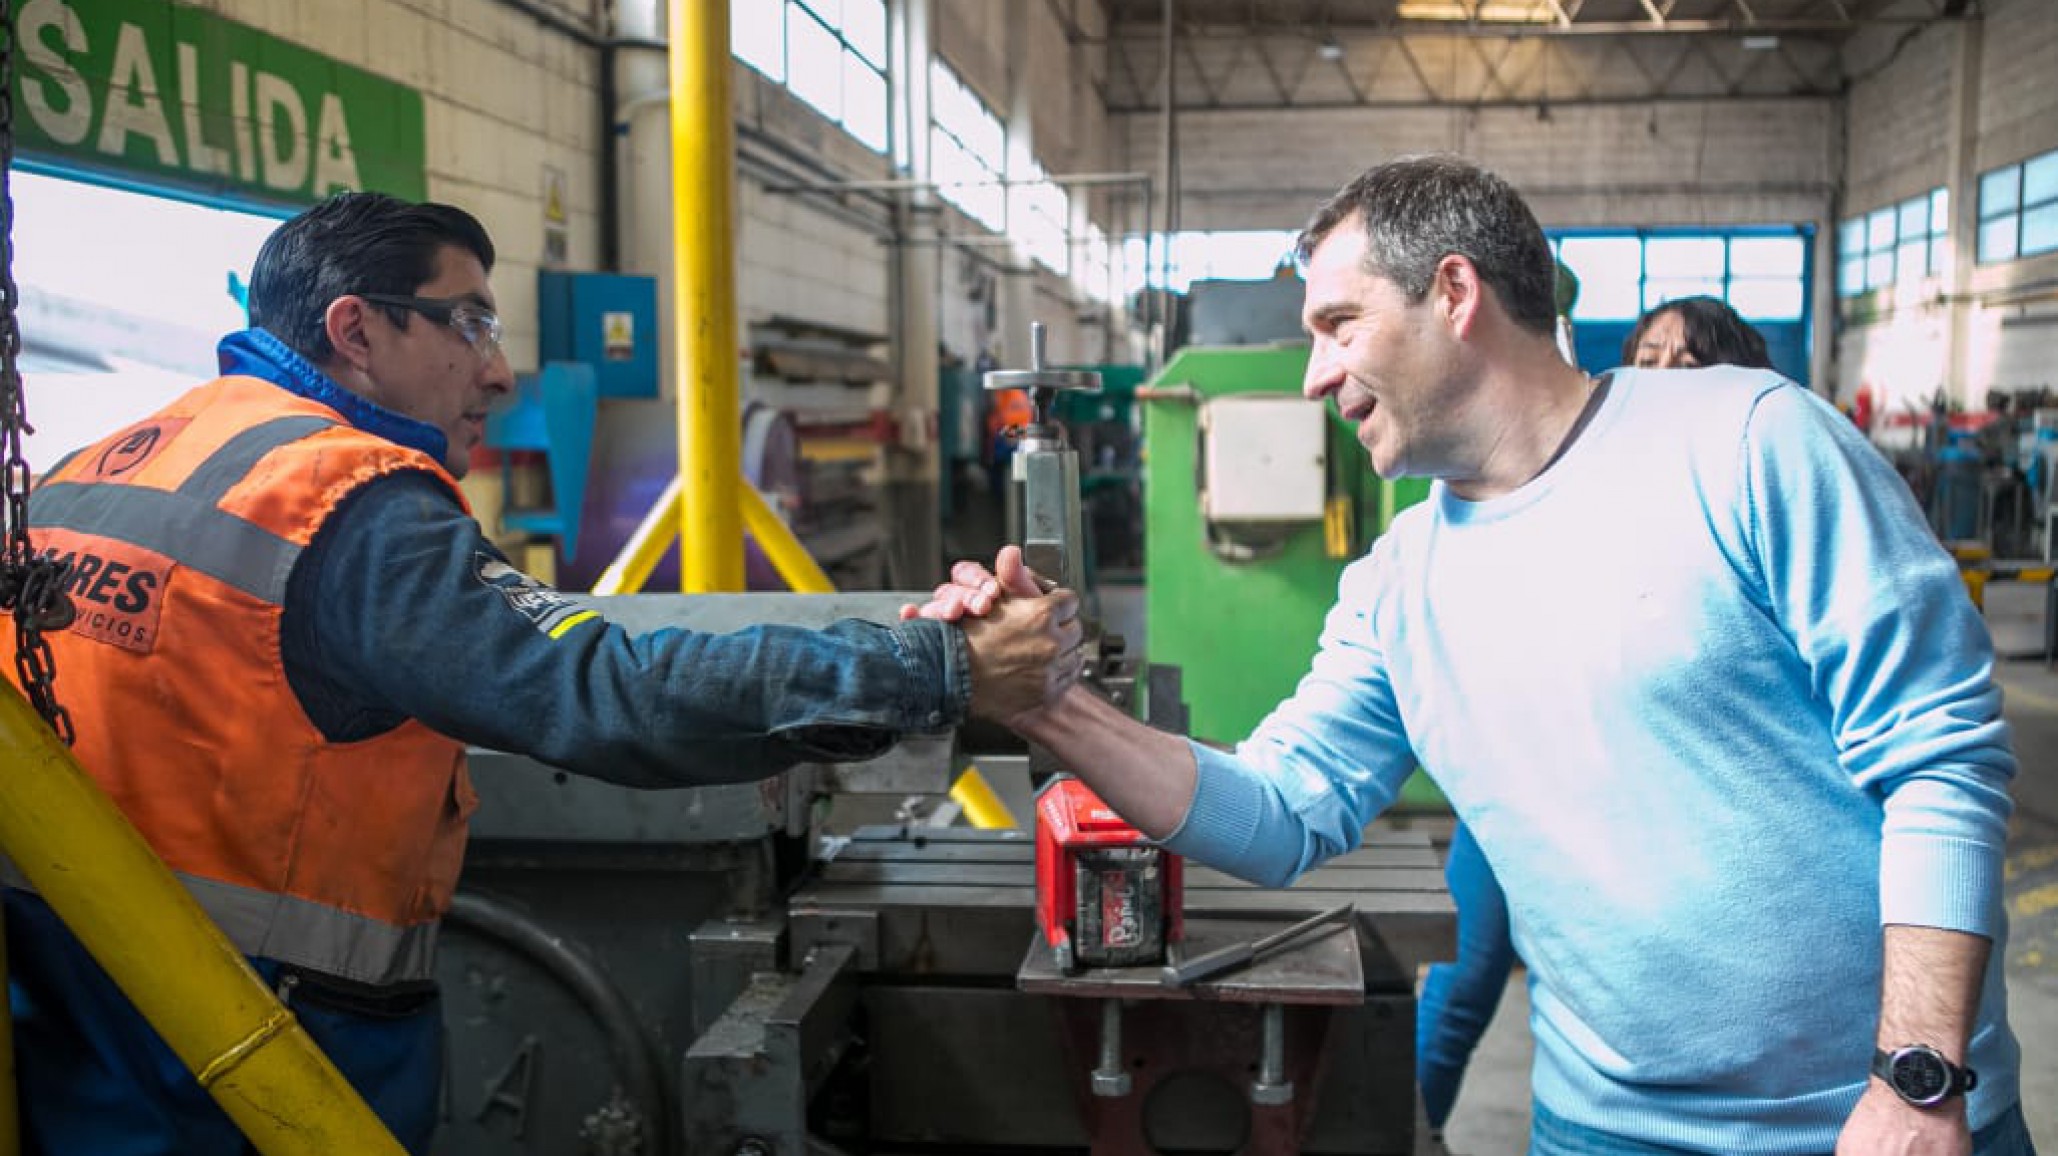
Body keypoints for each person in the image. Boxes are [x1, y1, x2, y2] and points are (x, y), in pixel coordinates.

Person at [912, 156, 2032, 1155]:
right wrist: (1049, 701)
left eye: (1339, 325)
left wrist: (1919, 1076)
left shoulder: (1751, 442)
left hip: (1880, 1118)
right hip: (1603, 1126)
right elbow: (1284, 810)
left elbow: (1938, 757)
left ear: (1454, 293)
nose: (1312, 377)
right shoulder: (1399, 582)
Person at [0, 191, 1081, 1156]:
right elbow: (600, 691)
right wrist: (932, 668)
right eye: (468, 321)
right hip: (249, 1036)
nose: (501, 369)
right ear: (356, 329)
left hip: (65, 998)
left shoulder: (94, 464)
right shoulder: (345, 502)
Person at [1417, 293, 1782, 1131]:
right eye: (1645, 360)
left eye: (1685, 365)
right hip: (1525, 781)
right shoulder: (1570, 483)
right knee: (1457, 986)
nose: (1657, 381)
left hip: (1654, 807)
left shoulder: (1755, 489)